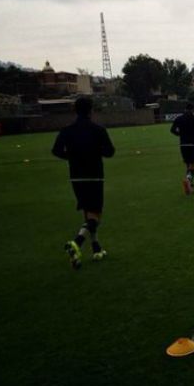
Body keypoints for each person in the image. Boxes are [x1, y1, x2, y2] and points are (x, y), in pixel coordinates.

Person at [52, 97, 115, 269]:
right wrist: (95, 151)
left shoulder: (66, 130)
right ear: (91, 110)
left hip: (76, 177)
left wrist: (71, 157)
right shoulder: (98, 130)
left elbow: (56, 151)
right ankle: (77, 243)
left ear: (75, 110)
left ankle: (96, 248)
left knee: (88, 213)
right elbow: (110, 152)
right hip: (94, 176)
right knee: (95, 215)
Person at [170, 103, 194, 195]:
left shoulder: (179, 118)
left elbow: (172, 130)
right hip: (193, 144)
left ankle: (191, 186)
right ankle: (188, 179)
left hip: (183, 144)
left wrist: (180, 134)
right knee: (193, 165)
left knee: (188, 165)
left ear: (185, 109)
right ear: (192, 110)